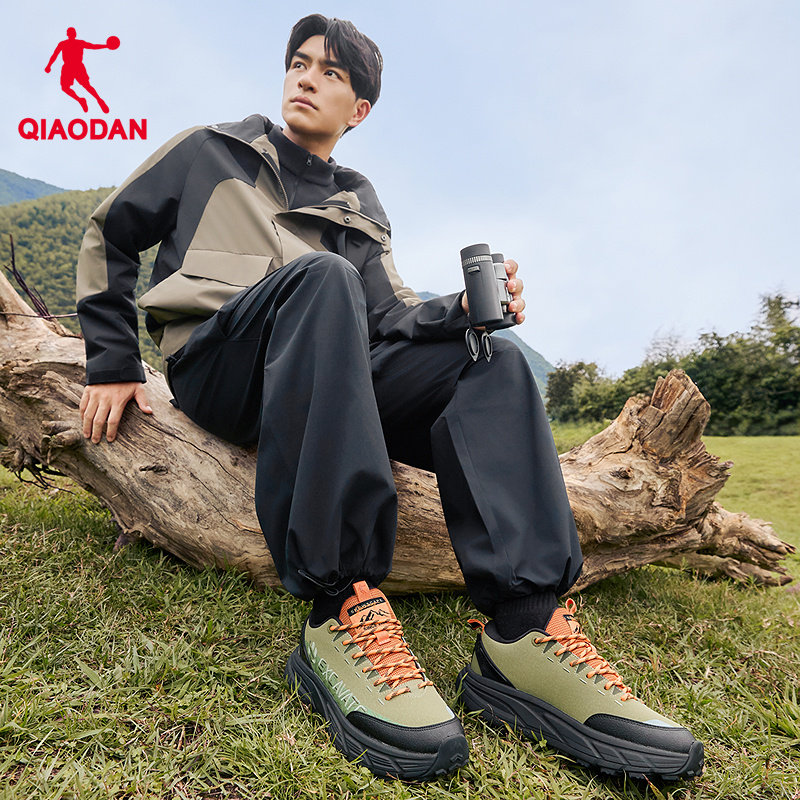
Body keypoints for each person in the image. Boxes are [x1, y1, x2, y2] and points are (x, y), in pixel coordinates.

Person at [75, 14, 703, 783]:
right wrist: (112, 360)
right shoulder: (210, 149)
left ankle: (524, 629)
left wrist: (461, 312)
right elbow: (110, 234)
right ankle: (340, 606)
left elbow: (389, 313)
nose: (306, 78)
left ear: (360, 109)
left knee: (491, 362)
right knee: (323, 277)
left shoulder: (357, 200)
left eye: (330, 72)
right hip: (220, 364)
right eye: (299, 63)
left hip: (324, 373)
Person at [45, 27, 111, 114]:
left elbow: (93, 46)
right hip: (68, 67)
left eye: (73, 32)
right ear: (68, 34)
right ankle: (81, 100)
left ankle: (99, 100)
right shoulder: (63, 44)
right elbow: (55, 55)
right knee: (65, 88)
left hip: (77, 66)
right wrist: (49, 65)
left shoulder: (79, 43)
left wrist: (106, 46)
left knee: (86, 85)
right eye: (71, 32)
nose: (72, 34)